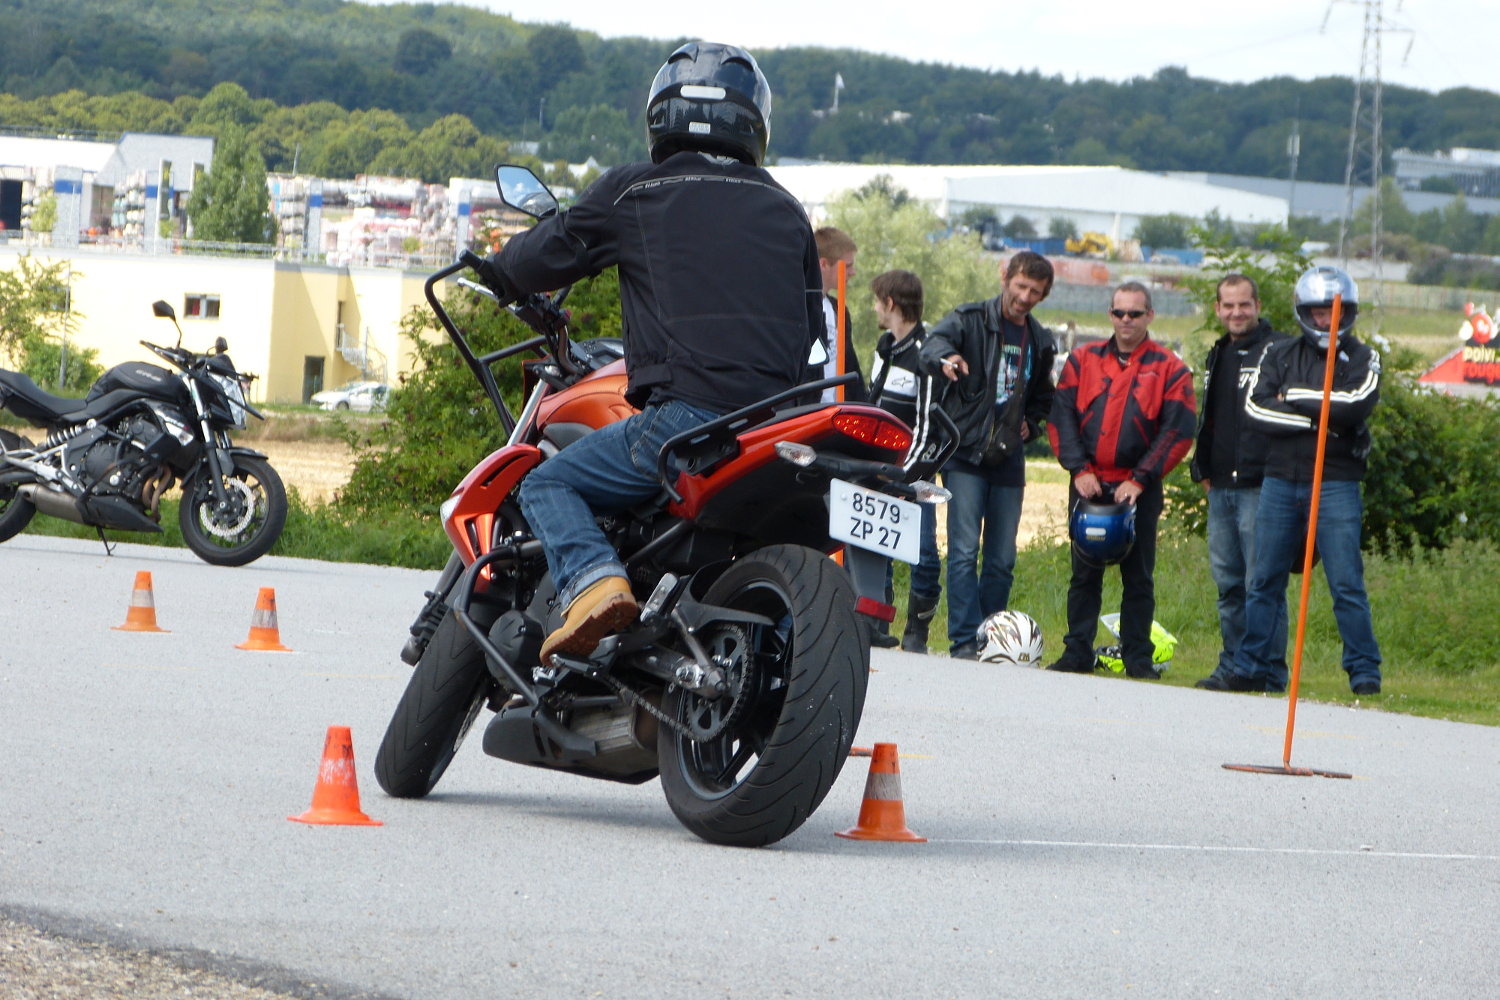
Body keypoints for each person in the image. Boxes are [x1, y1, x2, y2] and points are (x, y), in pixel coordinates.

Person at [486, 41, 826, 665]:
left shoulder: (638, 189)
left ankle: (595, 586)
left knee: (545, 485)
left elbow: (547, 252)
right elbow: (815, 328)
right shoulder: (787, 210)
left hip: (690, 420)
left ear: (662, 114)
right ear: (754, 120)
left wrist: (500, 272)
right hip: (778, 425)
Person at [1229, 265, 1383, 695]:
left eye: (1333, 312)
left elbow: (1355, 403)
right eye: (1317, 312)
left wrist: (1293, 397)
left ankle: (1364, 670)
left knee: (1346, 581)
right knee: (1263, 579)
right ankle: (1252, 664)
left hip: (1336, 482)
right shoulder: (1277, 353)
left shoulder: (1365, 356)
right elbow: (1256, 410)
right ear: (1303, 312)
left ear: (1347, 312)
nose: (1324, 320)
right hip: (1280, 480)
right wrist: (1322, 422)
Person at [1046, 281, 1196, 678]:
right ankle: (1076, 652)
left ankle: (1137, 659)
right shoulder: (1082, 359)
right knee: (1083, 574)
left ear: (1150, 316)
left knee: (1138, 576)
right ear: (1109, 314)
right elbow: (1061, 417)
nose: (1126, 321)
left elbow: (1178, 431)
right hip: (1088, 484)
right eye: (1119, 313)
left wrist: (1141, 479)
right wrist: (1078, 469)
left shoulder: (1171, 368)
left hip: (1137, 489)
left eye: (1134, 313)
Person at [920, 251, 1058, 659]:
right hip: (966, 451)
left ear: (1044, 294)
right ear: (1005, 277)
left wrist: (1031, 425)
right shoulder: (969, 318)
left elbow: (1043, 397)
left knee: (1001, 559)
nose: (1025, 297)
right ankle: (964, 640)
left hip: (1009, 457)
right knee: (963, 551)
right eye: (1020, 287)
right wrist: (949, 359)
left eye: (1035, 291)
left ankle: (994, 640)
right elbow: (932, 346)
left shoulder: (1041, 338)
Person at [1191, 274, 1292, 692]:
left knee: (1262, 584)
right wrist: (1203, 470)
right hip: (1220, 488)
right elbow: (1211, 418)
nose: (1236, 313)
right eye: (1228, 306)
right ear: (1217, 309)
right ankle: (1232, 665)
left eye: (1243, 305)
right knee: (1229, 584)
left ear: (1258, 304)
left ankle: (1267, 671)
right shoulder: (1219, 353)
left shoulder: (1282, 350)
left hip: (1261, 484)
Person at [864, 269, 944, 652]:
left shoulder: (925, 353)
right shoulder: (884, 346)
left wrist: (908, 475)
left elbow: (928, 421)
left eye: (877, 301)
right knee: (873, 541)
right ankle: (877, 625)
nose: (874, 308)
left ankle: (917, 632)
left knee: (923, 553)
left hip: (915, 469)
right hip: (879, 465)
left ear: (890, 304)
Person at [815, 227, 867, 403]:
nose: (853, 272)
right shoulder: (799, 310)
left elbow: (850, 365)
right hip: (805, 416)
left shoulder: (839, 310)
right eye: (848, 266)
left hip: (836, 415)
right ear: (824, 264)